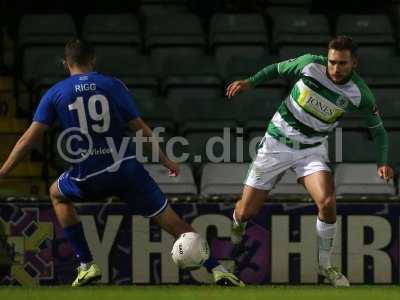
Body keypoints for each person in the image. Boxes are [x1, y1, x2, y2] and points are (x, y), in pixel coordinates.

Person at [0, 38, 244, 287]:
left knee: (57, 194)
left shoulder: (55, 93)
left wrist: (3, 171)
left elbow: (26, 141)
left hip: (88, 175)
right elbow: (140, 128)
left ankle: (86, 264)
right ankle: (218, 269)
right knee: (174, 222)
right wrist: (166, 159)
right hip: (127, 171)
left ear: (66, 63)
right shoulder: (112, 85)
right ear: (92, 59)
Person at [226, 36, 394, 287]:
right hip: (276, 144)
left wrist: (383, 161)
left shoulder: (360, 94)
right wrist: (250, 82)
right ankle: (237, 226)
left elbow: (378, 130)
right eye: (332, 62)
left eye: (342, 64)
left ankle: (325, 265)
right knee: (246, 211)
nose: (336, 69)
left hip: (311, 150)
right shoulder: (309, 65)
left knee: (327, 202)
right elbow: (276, 69)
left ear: (354, 63)